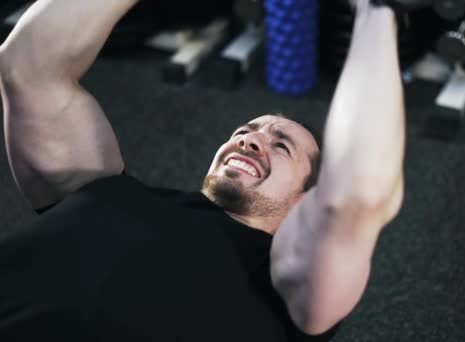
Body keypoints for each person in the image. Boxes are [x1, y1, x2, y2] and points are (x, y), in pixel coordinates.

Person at [0, 0, 405, 340]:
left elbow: (355, 195)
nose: (249, 139)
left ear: (306, 202)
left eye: (281, 146)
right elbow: (27, 66)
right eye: (245, 131)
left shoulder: (287, 286)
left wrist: (377, 9)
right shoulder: (98, 187)